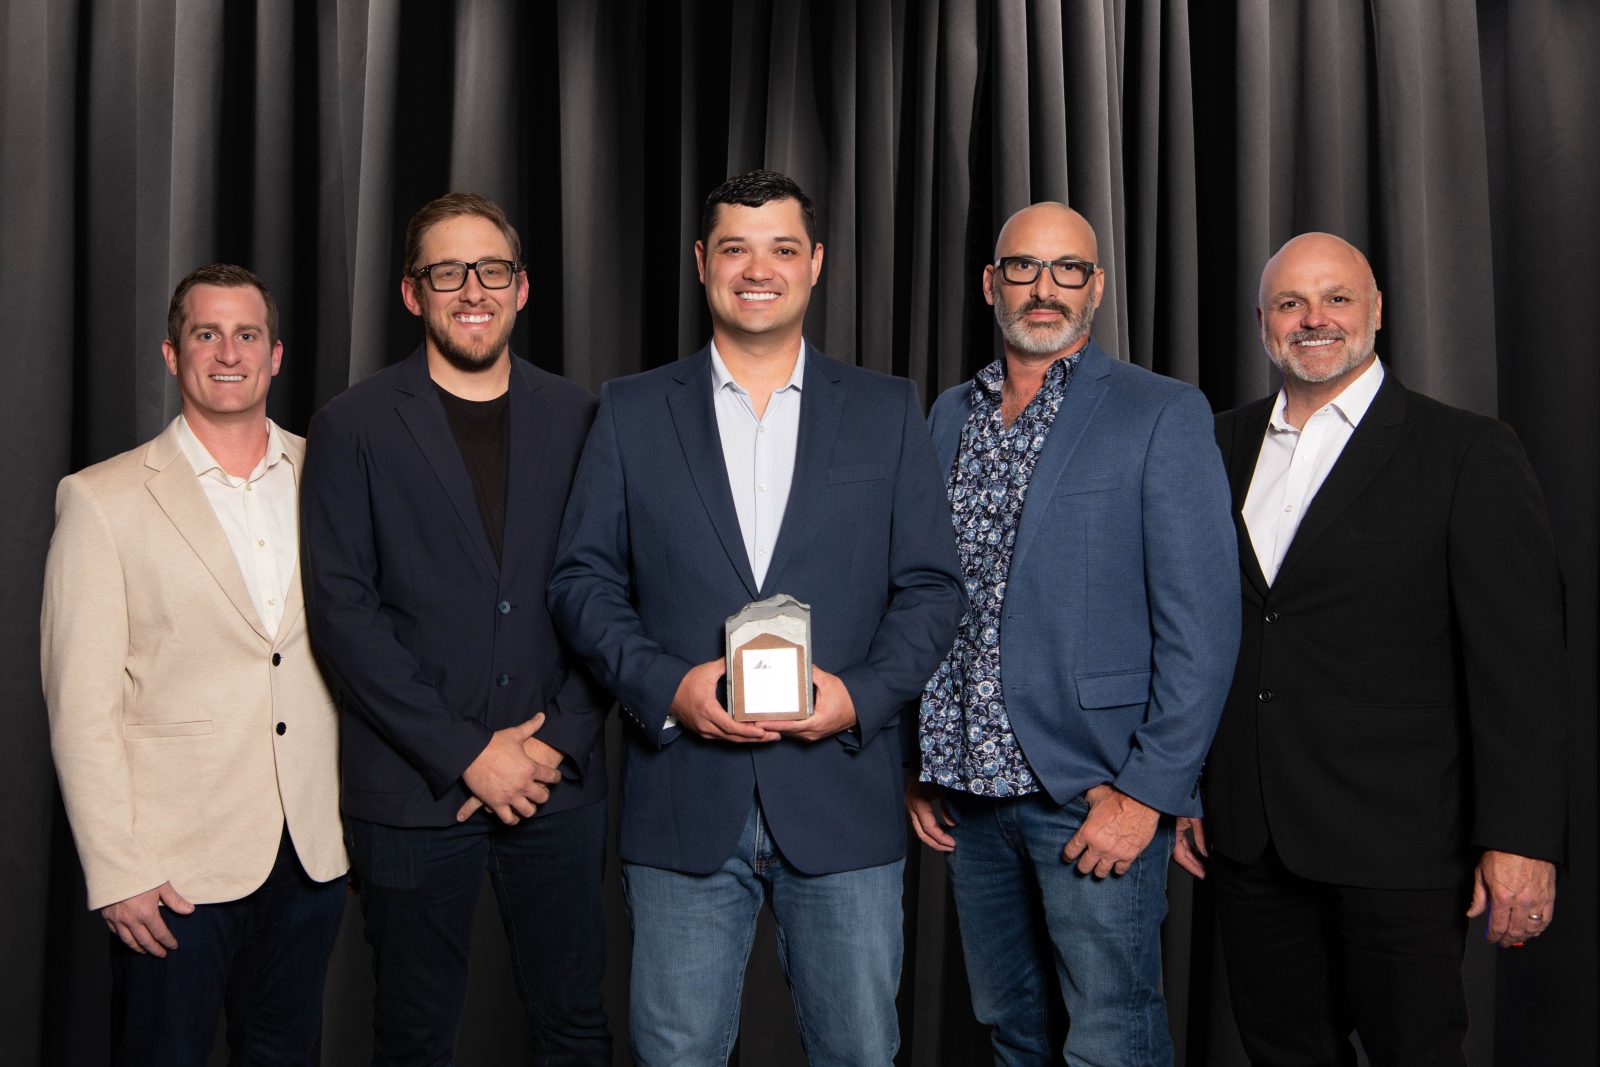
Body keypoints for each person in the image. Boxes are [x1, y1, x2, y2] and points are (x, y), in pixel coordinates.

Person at [547, 169, 964, 1066]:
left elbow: (933, 588)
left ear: (815, 264)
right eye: (735, 247)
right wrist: (668, 686)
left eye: (782, 248)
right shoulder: (630, 409)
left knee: (859, 1052)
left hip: (843, 802)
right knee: (676, 1055)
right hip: (685, 802)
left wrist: (858, 697)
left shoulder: (888, 409)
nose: (757, 268)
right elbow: (581, 581)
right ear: (703, 263)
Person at [1176, 232, 1568, 1066]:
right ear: (1262, 322)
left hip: (1403, 838)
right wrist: (1183, 782)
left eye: (1337, 298)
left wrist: (1521, 838)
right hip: (1249, 835)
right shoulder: (1211, 444)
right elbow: (1190, 630)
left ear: (1378, 311)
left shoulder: (1465, 451)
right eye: (1290, 302)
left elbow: (1521, 667)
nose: (1313, 319)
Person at [905, 203, 1240, 1066]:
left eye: (1067, 270)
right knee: (1013, 1028)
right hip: (971, 796)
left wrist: (1152, 792)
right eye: (1023, 267)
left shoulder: (1160, 413)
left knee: (1112, 1034)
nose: (1044, 287)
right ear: (991, 283)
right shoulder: (947, 416)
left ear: (1096, 287)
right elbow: (925, 597)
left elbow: (1202, 625)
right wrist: (920, 754)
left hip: (1093, 793)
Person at [301, 192, 610, 1064]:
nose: (472, 289)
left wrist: (557, 741)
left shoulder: (586, 419)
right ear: (413, 293)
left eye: (492, 270)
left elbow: (615, 593)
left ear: (522, 289)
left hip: (559, 782)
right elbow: (345, 615)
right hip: (411, 788)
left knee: (575, 1027)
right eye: (447, 271)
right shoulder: (351, 426)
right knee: (412, 1036)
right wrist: (467, 752)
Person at [41, 264, 347, 1065]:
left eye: (247, 335)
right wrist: (116, 868)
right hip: (171, 867)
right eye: (205, 334)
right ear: (172, 356)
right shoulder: (101, 500)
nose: (227, 352)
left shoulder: (333, 477)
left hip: (312, 849)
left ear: (275, 355)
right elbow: (81, 705)